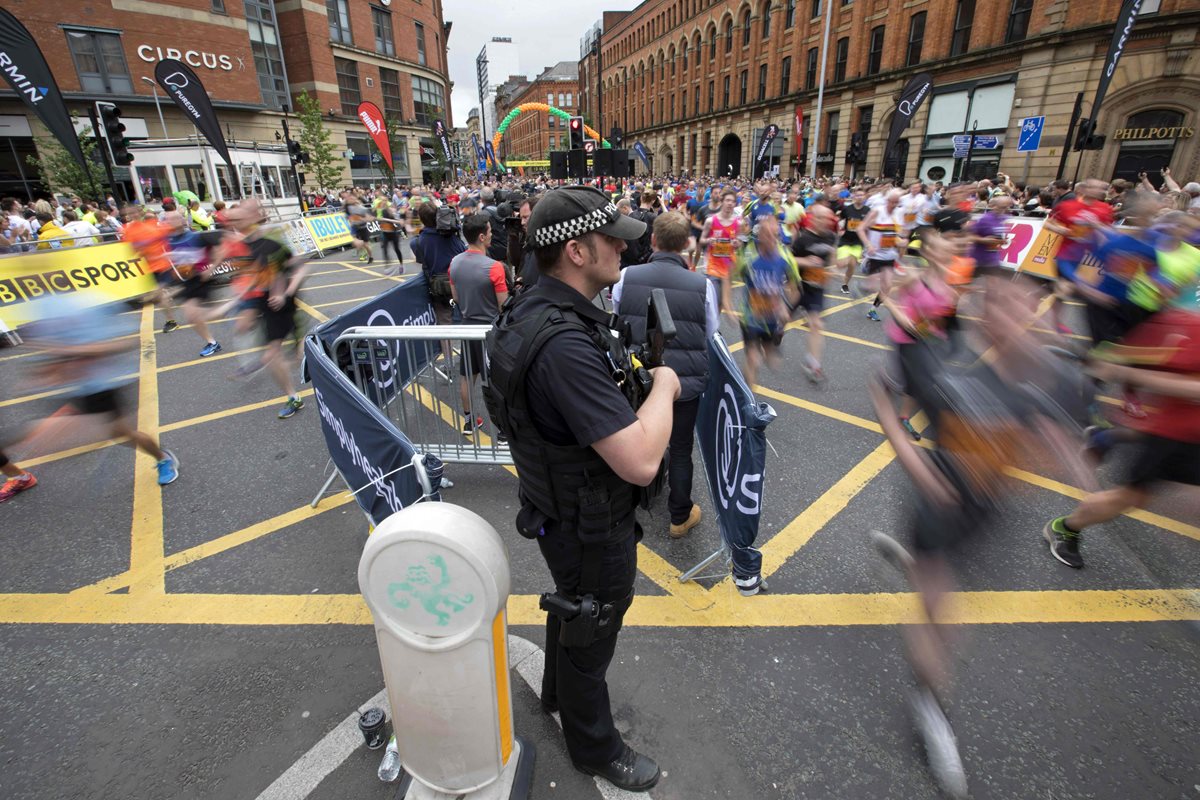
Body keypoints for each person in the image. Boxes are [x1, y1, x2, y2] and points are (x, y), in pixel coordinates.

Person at [483, 185, 675, 793]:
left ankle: (555, 693)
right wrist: (664, 388)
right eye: (611, 237)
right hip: (591, 520)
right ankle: (595, 748)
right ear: (575, 251)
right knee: (595, 625)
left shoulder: (527, 311)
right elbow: (641, 460)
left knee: (574, 602)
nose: (623, 245)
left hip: (557, 505)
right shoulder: (565, 342)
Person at [613, 211, 717, 539]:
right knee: (682, 447)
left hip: (639, 379)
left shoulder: (626, 276)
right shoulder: (703, 284)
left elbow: (618, 323)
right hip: (684, 383)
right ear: (687, 244)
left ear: (653, 240)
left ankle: (626, 507)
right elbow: (711, 333)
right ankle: (679, 515)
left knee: (632, 441)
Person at [448, 214, 508, 436]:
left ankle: (469, 421)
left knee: (467, 376)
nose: (492, 234)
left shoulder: (454, 263)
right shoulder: (494, 267)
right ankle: (503, 430)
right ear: (482, 236)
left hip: (467, 328)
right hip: (490, 331)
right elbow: (503, 305)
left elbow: (456, 297)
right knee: (496, 381)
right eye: (490, 231)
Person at [732, 214, 800, 389]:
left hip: (772, 317)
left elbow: (795, 288)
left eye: (775, 236)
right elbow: (727, 277)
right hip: (750, 315)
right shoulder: (748, 254)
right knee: (753, 358)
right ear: (760, 235)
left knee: (772, 361)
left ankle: (775, 339)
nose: (772, 240)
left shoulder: (786, 256)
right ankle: (749, 403)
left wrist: (786, 307)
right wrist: (727, 303)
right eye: (767, 235)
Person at [790, 203, 838, 383]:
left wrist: (833, 270)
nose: (825, 221)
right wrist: (805, 261)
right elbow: (789, 259)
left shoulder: (831, 237)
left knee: (817, 325)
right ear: (814, 218)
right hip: (798, 287)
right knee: (782, 322)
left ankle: (814, 364)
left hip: (817, 288)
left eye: (828, 218)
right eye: (822, 217)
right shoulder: (803, 238)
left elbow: (831, 258)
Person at [860, 189, 907, 321]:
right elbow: (860, 228)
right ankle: (861, 286)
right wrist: (868, 244)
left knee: (887, 286)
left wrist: (902, 241)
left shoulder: (899, 213)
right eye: (892, 202)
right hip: (874, 254)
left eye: (897, 202)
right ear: (887, 200)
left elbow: (898, 233)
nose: (894, 205)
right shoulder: (877, 211)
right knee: (871, 287)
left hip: (889, 255)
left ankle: (872, 310)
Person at [837, 189, 868, 295]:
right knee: (842, 264)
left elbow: (870, 225)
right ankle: (838, 276)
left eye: (862, 195)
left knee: (852, 265)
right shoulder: (847, 209)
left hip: (857, 242)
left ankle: (845, 285)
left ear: (865, 197)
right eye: (857, 195)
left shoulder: (868, 210)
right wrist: (839, 230)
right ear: (854, 197)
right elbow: (840, 219)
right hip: (845, 239)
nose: (859, 197)